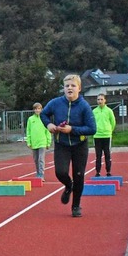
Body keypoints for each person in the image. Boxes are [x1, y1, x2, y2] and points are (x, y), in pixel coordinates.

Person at [40, 74, 96, 218]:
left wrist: (73, 129)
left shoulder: (84, 106)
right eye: (67, 86)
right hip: (62, 144)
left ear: (79, 88)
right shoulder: (55, 103)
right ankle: (68, 185)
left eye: (73, 86)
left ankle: (76, 206)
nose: (70, 88)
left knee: (79, 176)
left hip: (79, 145)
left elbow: (92, 128)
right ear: (63, 89)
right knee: (60, 172)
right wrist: (49, 124)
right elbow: (43, 115)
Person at [26, 102, 51, 181]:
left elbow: (48, 131)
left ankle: (41, 174)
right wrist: (29, 142)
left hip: (42, 142)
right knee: (36, 159)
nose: (37, 110)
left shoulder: (44, 118)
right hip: (34, 143)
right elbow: (28, 131)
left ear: (41, 109)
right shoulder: (30, 119)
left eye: (39, 109)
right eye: (36, 109)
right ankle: (38, 173)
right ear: (34, 110)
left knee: (41, 159)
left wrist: (48, 142)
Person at [92, 93, 116, 177]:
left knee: (107, 154)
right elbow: (92, 122)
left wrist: (109, 130)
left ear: (105, 100)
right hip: (97, 136)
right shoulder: (94, 111)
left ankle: (108, 171)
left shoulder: (109, 111)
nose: (100, 101)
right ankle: (97, 172)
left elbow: (113, 122)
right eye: (98, 99)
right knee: (98, 155)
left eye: (101, 99)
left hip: (106, 135)